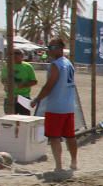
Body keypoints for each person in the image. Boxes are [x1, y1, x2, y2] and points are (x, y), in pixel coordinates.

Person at [30, 38, 79, 172]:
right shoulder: (68, 63)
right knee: (70, 136)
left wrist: (37, 99)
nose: (49, 51)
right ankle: (74, 163)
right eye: (48, 48)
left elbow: (49, 86)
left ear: (60, 48)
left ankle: (58, 166)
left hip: (56, 107)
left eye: (51, 48)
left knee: (54, 137)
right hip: (69, 106)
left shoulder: (56, 65)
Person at [0, 49, 38, 115]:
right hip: (10, 97)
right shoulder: (6, 66)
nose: (15, 55)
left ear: (22, 56)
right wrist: (6, 83)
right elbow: (3, 80)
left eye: (17, 53)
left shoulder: (28, 67)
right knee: (10, 121)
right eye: (13, 53)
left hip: (24, 97)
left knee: (25, 120)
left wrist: (22, 85)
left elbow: (34, 81)